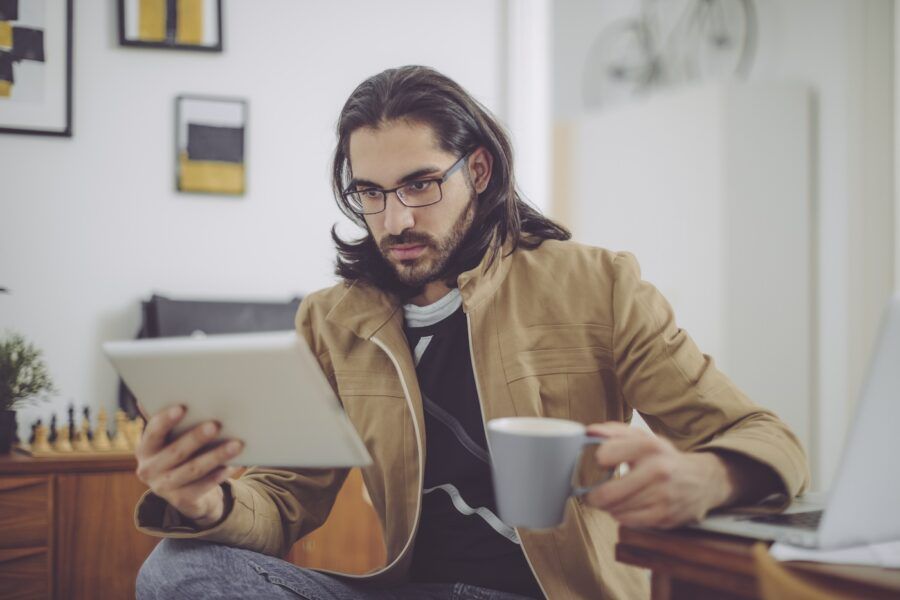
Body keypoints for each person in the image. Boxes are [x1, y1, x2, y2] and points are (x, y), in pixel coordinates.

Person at [134, 66, 809, 600]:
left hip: (557, 593)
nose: (394, 218)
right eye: (370, 191)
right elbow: (283, 501)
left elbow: (765, 437)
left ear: (477, 172)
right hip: (413, 590)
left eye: (420, 184)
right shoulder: (332, 319)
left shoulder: (597, 284)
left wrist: (708, 476)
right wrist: (207, 501)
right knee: (175, 570)